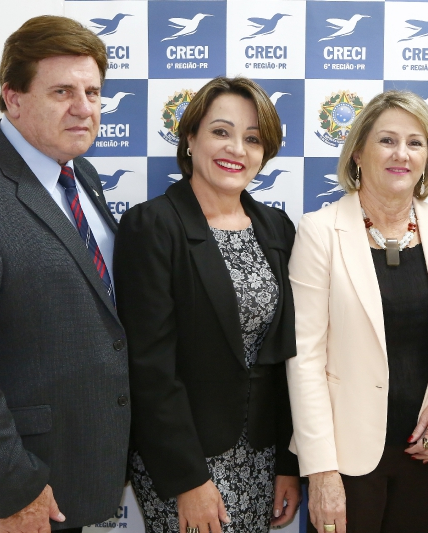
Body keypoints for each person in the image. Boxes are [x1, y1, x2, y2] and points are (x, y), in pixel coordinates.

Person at [0, 15, 129, 533]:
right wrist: (16, 487)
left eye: (93, 92)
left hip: (71, 477)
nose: (84, 108)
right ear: (13, 98)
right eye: (62, 92)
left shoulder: (81, 176)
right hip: (7, 497)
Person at [113, 77, 300, 533]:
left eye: (252, 138)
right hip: (185, 459)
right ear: (190, 138)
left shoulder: (276, 228)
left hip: (260, 455)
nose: (236, 148)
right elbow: (149, 366)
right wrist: (189, 481)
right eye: (221, 131)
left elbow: (284, 359)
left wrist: (287, 463)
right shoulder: (152, 225)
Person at [286, 90, 428, 533]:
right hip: (345, 457)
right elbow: (304, 359)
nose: (401, 153)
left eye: (415, 143)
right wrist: (321, 470)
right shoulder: (319, 231)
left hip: (424, 449)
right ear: (358, 153)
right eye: (387, 140)